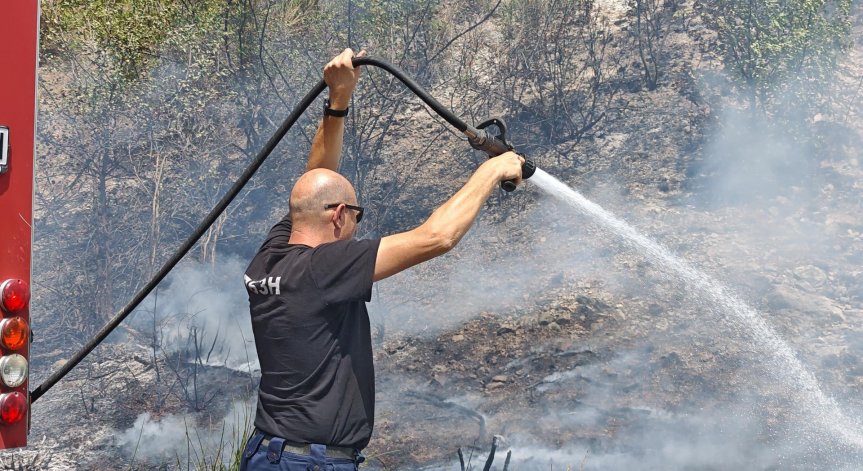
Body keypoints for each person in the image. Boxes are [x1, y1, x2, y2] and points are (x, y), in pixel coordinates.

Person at [240, 49, 525, 471]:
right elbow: (437, 237)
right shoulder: (325, 268)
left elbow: (314, 182)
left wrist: (338, 100)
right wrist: (492, 171)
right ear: (339, 215)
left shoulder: (271, 257)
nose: (357, 227)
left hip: (267, 452)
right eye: (357, 216)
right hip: (310, 463)